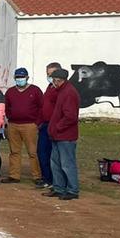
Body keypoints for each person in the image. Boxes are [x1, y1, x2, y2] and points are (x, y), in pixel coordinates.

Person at [45, 68, 80, 200]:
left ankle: (72, 189)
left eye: (55, 80)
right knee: (55, 163)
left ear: (60, 80)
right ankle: (58, 187)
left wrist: (57, 127)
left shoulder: (69, 93)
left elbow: (70, 117)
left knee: (67, 164)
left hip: (65, 136)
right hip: (57, 135)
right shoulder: (61, 91)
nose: (53, 83)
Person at [37, 62, 62, 188]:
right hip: (44, 125)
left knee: (53, 154)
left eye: (52, 74)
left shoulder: (60, 90)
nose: (50, 77)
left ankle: (54, 180)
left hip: (54, 125)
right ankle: (46, 177)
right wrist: (39, 122)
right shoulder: (49, 87)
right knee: (42, 152)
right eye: (48, 74)